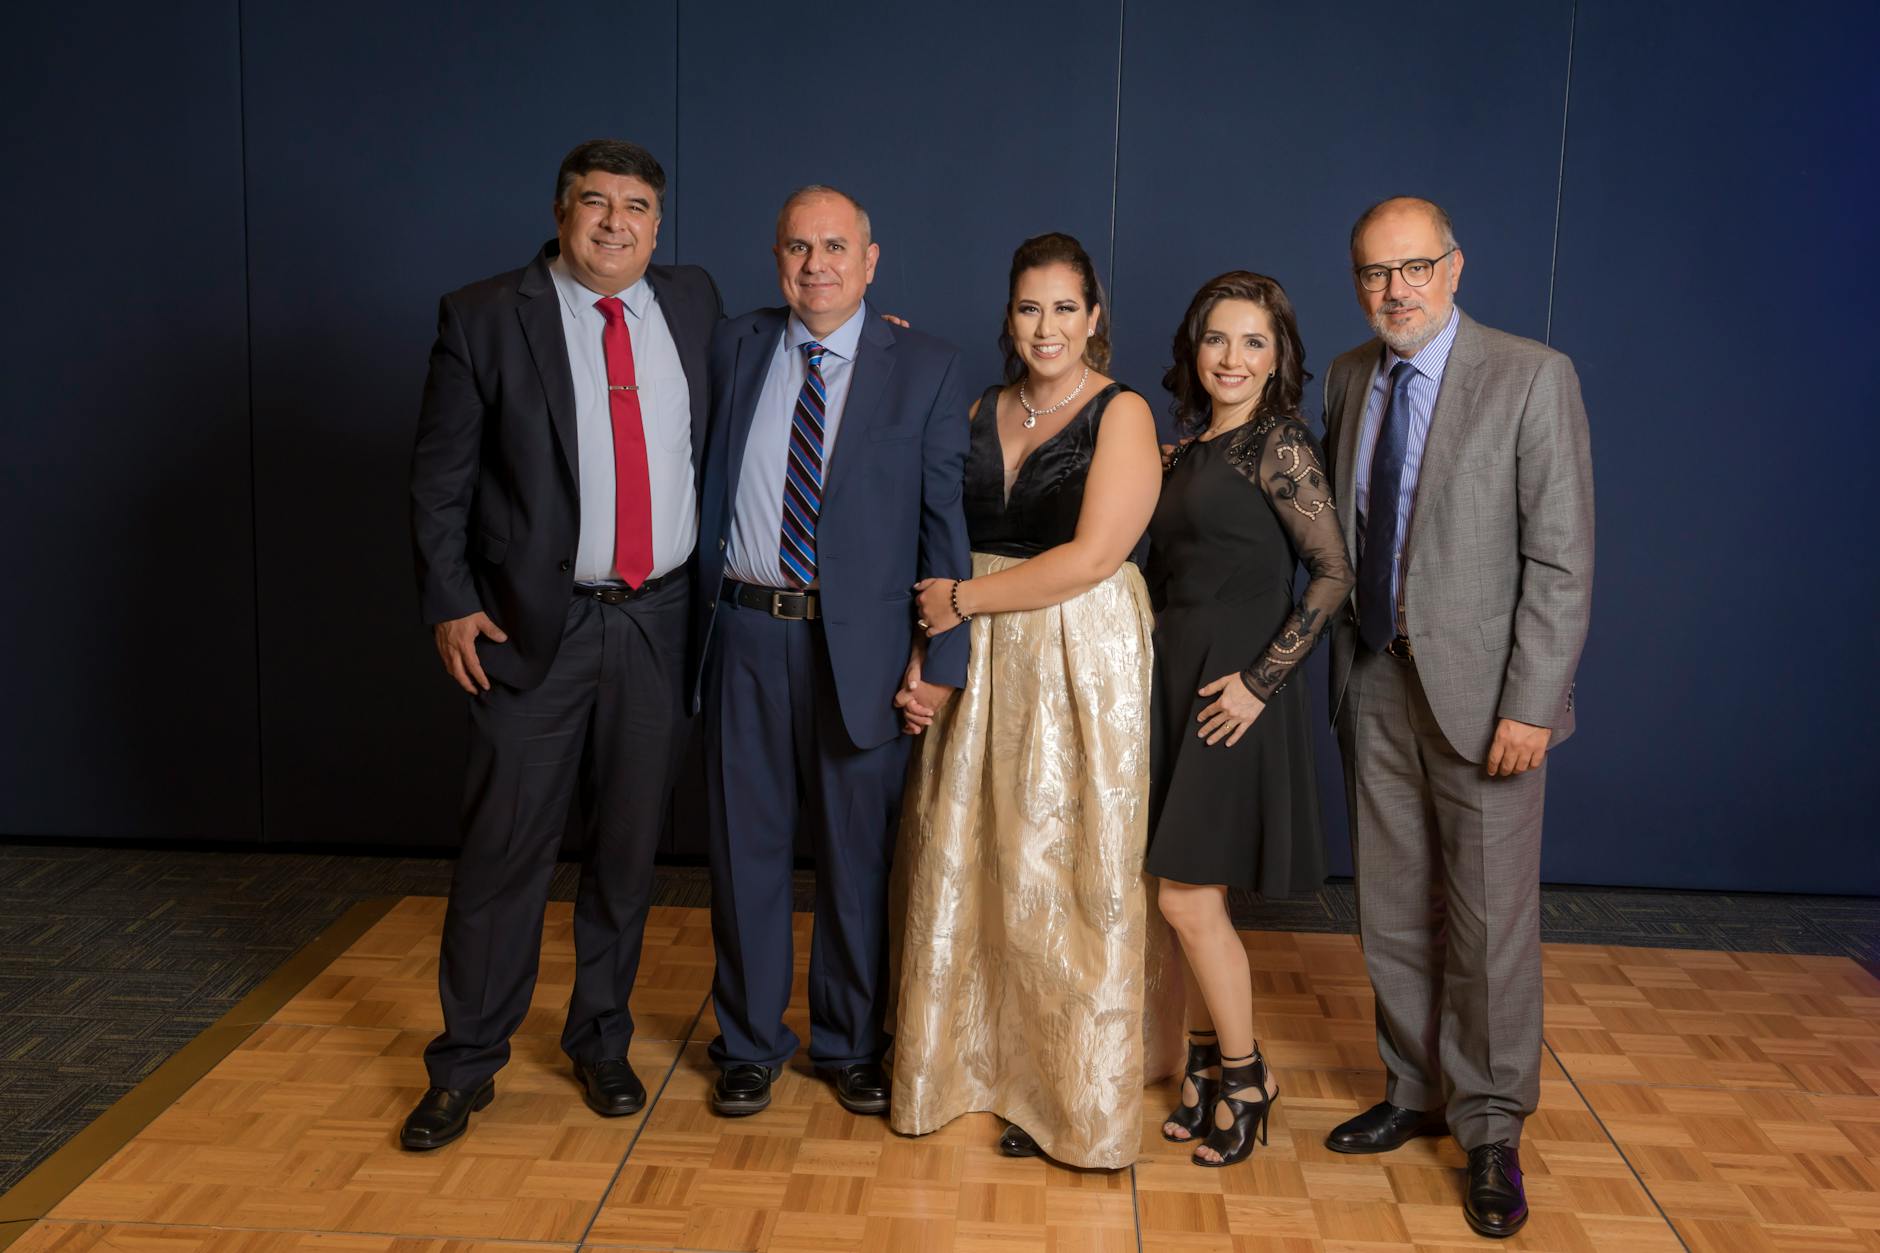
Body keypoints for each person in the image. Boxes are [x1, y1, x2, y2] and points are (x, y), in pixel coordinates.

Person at [403, 139, 723, 1149]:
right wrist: (449, 599)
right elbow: (439, 476)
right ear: (559, 211)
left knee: (626, 847)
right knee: (505, 847)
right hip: (532, 624)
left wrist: (867, 335)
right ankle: (465, 1060)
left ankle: (599, 1036)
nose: (615, 223)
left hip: (658, 618)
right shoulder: (486, 313)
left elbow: (782, 356)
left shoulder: (693, 301)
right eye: (596, 203)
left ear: (658, 226)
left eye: (636, 206)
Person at [1320, 197, 1593, 1238]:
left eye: (1413, 268)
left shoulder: (1530, 376)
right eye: (1373, 273)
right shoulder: (1350, 376)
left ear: (1454, 266)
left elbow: (1560, 561)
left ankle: (1488, 1127)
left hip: (1487, 703)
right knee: (1388, 903)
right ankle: (1412, 1087)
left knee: (1486, 922)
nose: (1394, 290)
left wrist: (1532, 701)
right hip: (1374, 678)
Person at [890, 232, 1182, 1170]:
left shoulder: (1124, 412)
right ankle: (975, 1068)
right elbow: (934, 527)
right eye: (1029, 308)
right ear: (1008, 317)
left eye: (1065, 308)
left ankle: (1073, 1092)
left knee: (1065, 867)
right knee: (976, 857)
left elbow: (1096, 555)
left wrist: (962, 603)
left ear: (1094, 317)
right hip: (982, 655)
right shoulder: (980, 405)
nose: (1046, 326)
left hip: (1076, 652)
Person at [690, 186, 972, 1119]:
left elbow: (944, 528)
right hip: (742, 630)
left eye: (836, 247)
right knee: (745, 849)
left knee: (859, 858)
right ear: (777, 256)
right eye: (799, 248)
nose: (818, 266)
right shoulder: (731, 343)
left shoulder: (924, 366)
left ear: (872, 257)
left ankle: (851, 1041)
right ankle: (747, 1040)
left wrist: (940, 660)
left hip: (863, 647)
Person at [1146, 272, 1353, 1167]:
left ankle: (1246, 1076)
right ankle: (1199, 1065)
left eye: (1254, 342)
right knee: (1189, 895)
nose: (1233, 358)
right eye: (1217, 339)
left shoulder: (1280, 444)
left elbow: (1335, 574)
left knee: (1184, 895)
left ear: (1280, 358)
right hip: (1178, 676)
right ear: (1195, 350)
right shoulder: (1188, 449)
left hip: (1236, 693)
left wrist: (1262, 683)